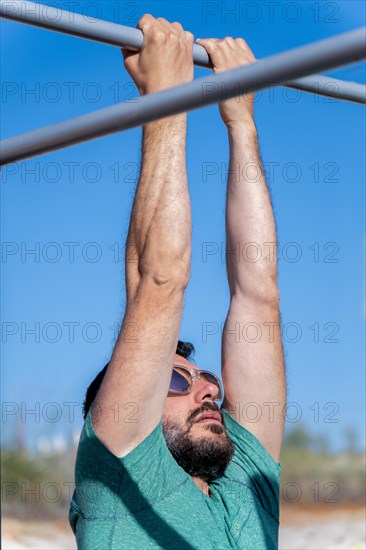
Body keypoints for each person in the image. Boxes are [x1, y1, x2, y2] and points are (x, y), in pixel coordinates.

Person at [69, 14, 286, 550]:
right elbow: (158, 281)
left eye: (202, 377)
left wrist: (241, 122)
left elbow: (258, 296)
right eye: (177, 380)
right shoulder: (116, 478)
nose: (210, 388)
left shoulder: (247, 486)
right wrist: (167, 102)